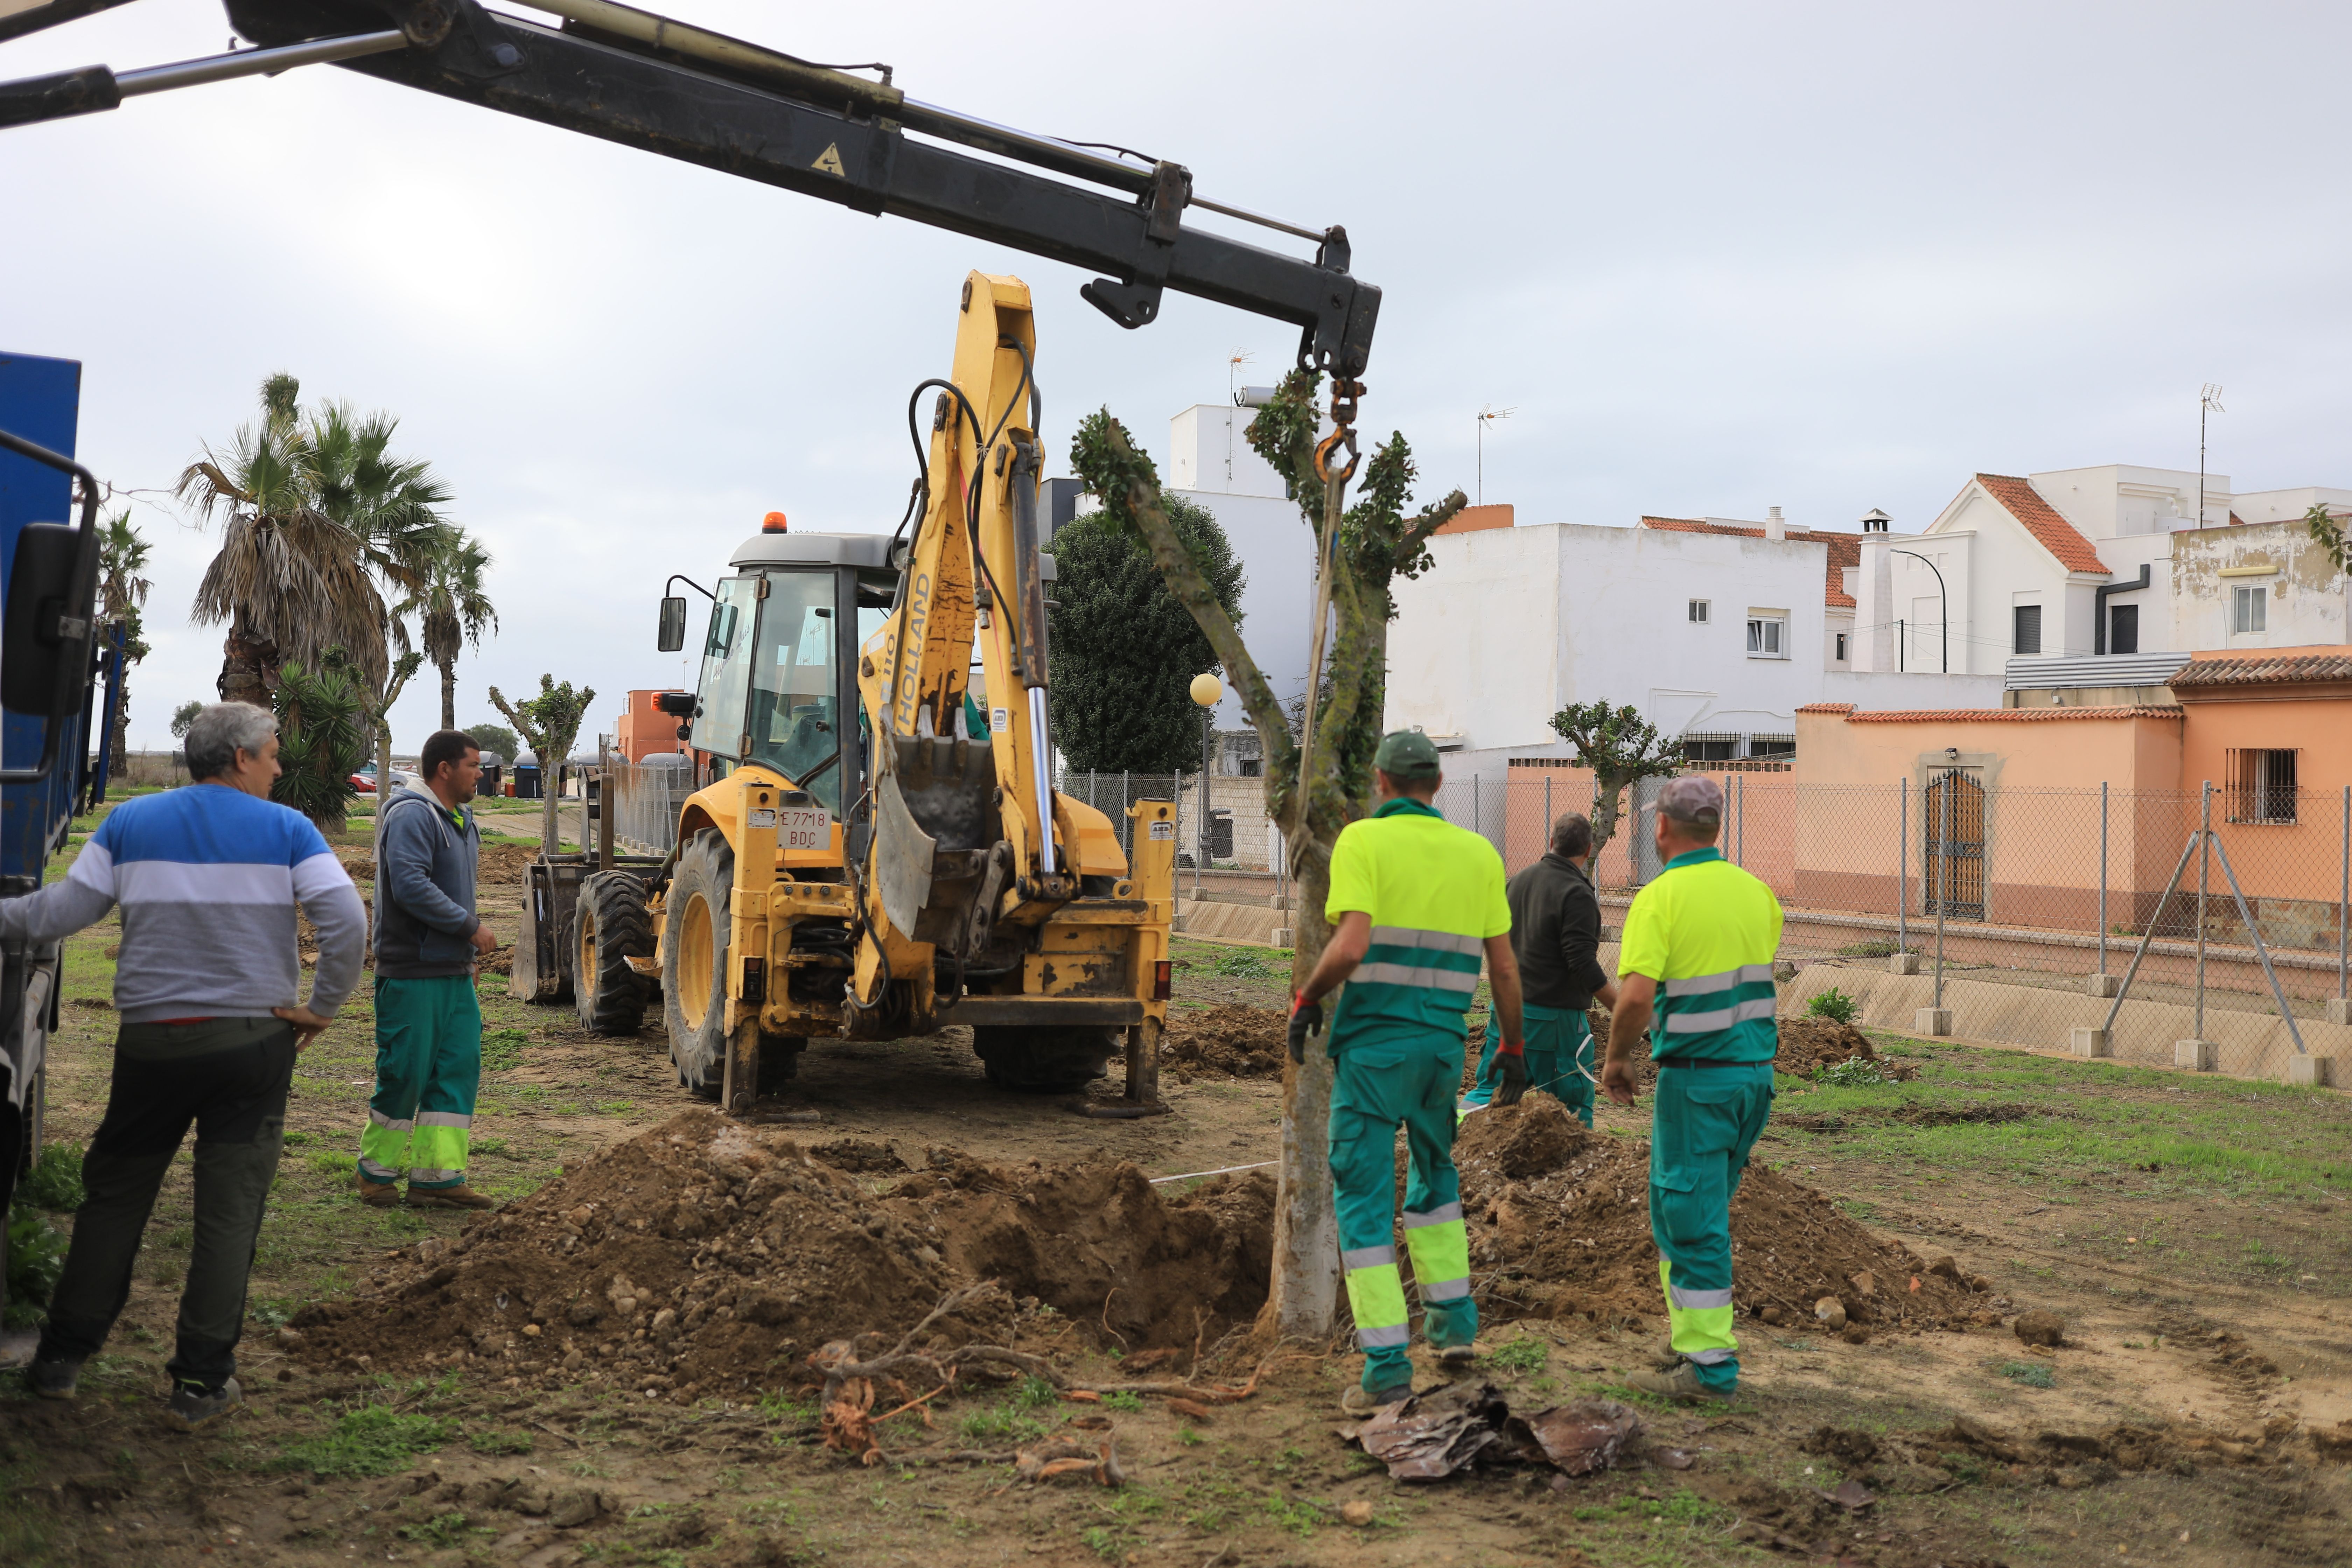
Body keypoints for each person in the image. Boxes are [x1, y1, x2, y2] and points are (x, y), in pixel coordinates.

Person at [4, 702, 366, 1428]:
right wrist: (322, 1007)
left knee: (115, 1197)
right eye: (271, 753)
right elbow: (349, 921)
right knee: (228, 1211)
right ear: (239, 758)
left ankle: (61, 1359)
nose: (279, 765)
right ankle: (200, 1382)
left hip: (152, 1045)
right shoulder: (289, 830)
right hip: (251, 1047)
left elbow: (62, 912)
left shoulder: (132, 823)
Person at [1287, 731, 1523, 1414]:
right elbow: (1503, 967)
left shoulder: (1364, 841)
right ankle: (1454, 1329)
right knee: (1435, 1177)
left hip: (1372, 1049)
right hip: (1444, 1049)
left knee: (1364, 1198)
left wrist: (1307, 999)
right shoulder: (1479, 853)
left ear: (1381, 781)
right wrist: (1512, 1045)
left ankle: (1387, 1366)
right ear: (1438, 785)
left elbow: (1353, 940)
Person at [1602, 775, 1783, 1402]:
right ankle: (1689, 1338)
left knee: (1691, 1218)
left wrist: (1618, 1059)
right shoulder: (1757, 894)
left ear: (1661, 828)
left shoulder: (1661, 898)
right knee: (1696, 1214)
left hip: (1698, 1083)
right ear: (1717, 827)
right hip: (1753, 1082)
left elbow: (1635, 997)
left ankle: (1709, 1366)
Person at [357, 729, 498, 1210]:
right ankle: (376, 1175)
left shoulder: (461, 818)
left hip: (454, 973)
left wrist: (468, 958)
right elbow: (411, 887)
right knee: (406, 1074)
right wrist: (469, 929)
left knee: (457, 1070)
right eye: (474, 765)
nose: (481, 773)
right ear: (445, 769)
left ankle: (437, 1178)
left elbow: (457, 889)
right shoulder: (413, 815)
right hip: (413, 971)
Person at [1460, 811, 1618, 1126]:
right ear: (1589, 850)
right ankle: (1571, 1172)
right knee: (1571, 1106)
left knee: (1490, 1093)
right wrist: (1622, 1007)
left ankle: (1457, 1147)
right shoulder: (1577, 893)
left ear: (1551, 843)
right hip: (1555, 1022)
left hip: (1506, 1010)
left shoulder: (1518, 882)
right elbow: (1581, 962)